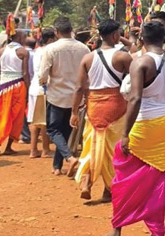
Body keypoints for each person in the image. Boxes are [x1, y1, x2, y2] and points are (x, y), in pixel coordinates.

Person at [106, 20, 165, 236]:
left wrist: (125, 134)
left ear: (141, 38)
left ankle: (117, 228)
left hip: (144, 123)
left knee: (124, 173)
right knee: (158, 176)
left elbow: (135, 99)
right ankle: (156, 230)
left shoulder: (140, 62)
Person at [72, 19, 132, 202]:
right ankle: (109, 188)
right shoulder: (123, 57)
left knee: (92, 144)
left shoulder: (88, 58)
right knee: (113, 149)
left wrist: (74, 112)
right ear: (116, 35)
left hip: (94, 106)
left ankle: (87, 181)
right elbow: (134, 83)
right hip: (117, 105)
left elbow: (79, 88)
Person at [38, 17, 88, 176]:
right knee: (65, 131)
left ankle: (68, 157)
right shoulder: (84, 49)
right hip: (76, 97)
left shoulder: (50, 49)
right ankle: (57, 166)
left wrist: (43, 82)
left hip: (57, 96)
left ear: (56, 32)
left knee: (53, 130)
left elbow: (43, 75)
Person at [0, 29, 29, 155]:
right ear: (19, 37)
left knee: (2, 114)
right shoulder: (23, 52)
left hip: (2, 87)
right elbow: (25, 73)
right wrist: (28, 89)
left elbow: (0, 71)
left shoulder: (1, 51)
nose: (25, 39)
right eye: (24, 36)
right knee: (16, 117)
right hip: (17, 85)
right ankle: (7, 146)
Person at [28, 29, 55, 158]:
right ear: (50, 40)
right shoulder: (47, 51)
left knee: (35, 120)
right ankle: (45, 149)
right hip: (43, 87)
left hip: (35, 86)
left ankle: (33, 149)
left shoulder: (37, 51)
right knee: (44, 120)